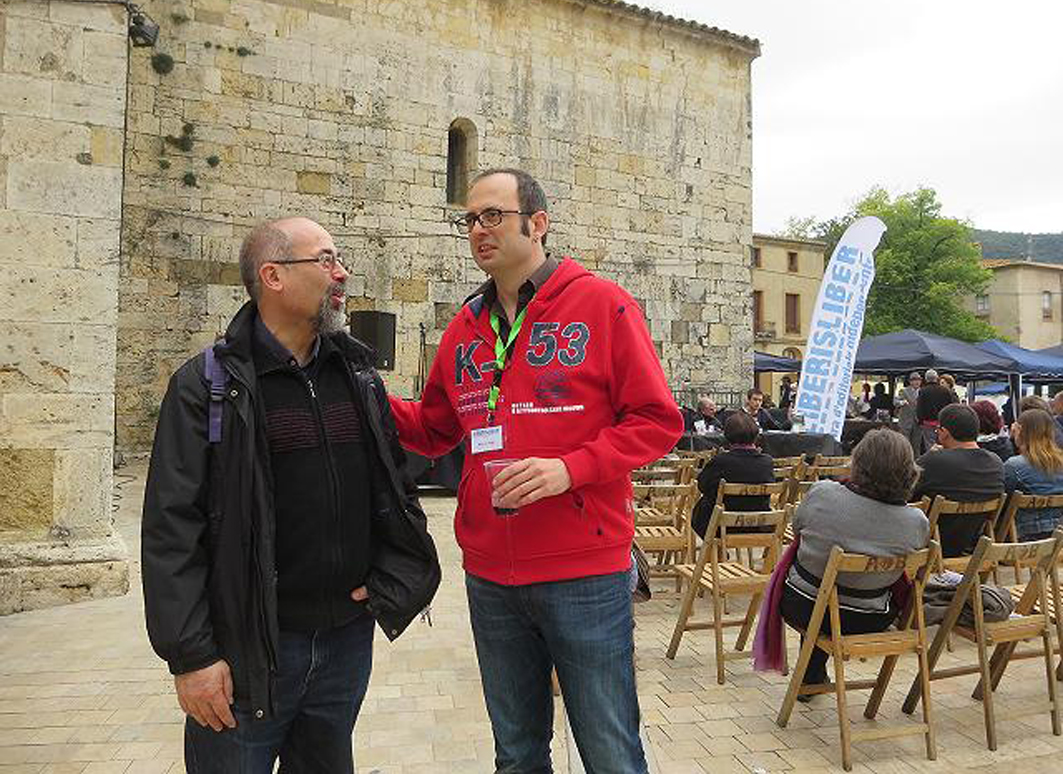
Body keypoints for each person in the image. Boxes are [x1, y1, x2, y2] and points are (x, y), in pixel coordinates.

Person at [387, 168, 683, 773]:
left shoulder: (602, 305)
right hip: (490, 576)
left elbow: (658, 421)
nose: (479, 229)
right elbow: (435, 429)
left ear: (538, 224)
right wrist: (364, 395)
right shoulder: (464, 328)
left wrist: (569, 470)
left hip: (585, 573)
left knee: (610, 752)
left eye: (494, 215)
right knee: (517, 754)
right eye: (471, 219)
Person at [141, 218, 440, 774]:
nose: (341, 273)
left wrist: (394, 578)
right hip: (247, 654)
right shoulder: (206, 386)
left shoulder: (357, 376)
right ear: (273, 276)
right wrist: (192, 656)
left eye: (339, 259)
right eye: (325, 260)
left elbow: (394, 488)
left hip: (343, 645)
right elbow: (171, 529)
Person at [780, 429, 929, 700]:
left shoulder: (823, 493)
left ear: (858, 462)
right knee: (830, 587)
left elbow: (797, 529)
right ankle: (811, 676)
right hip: (868, 616)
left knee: (821, 582)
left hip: (804, 605)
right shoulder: (916, 522)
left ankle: (810, 678)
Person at [910, 404, 1004, 557]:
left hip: (933, 545)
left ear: (944, 433)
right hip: (973, 547)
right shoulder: (996, 463)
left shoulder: (934, 461)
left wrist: (927, 456)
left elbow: (904, 489)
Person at [691, 412, 774, 538]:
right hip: (758, 524)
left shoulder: (720, 461)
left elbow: (702, 486)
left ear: (727, 436)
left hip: (720, 526)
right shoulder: (767, 462)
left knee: (704, 503)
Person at [1005, 409, 1063, 540]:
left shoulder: (1014, 466)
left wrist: (1012, 440)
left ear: (1020, 430)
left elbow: (1003, 500)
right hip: (1059, 538)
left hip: (1024, 538)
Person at [915, 369, 956, 454]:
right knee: (942, 443)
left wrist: (920, 421)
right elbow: (949, 407)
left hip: (928, 423)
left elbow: (920, 407)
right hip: (942, 423)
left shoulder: (923, 391)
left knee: (929, 444)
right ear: (937, 378)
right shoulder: (945, 390)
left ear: (926, 379)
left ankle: (932, 460)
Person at [894, 371, 923, 451]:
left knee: (916, 445)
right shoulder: (904, 391)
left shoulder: (923, 392)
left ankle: (916, 458)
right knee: (905, 445)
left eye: (919, 380)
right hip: (905, 422)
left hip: (918, 423)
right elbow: (895, 402)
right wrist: (902, 402)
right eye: (914, 380)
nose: (917, 382)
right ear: (910, 382)